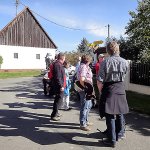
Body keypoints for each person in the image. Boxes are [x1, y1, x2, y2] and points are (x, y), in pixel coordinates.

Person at [97, 41, 129, 147]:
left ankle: (112, 140)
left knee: (109, 114)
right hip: (120, 88)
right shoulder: (125, 62)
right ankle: (119, 134)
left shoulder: (105, 62)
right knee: (119, 112)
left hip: (109, 89)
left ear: (108, 50)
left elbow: (100, 80)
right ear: (118, 49)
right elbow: (124, 75)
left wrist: (101, 92)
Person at [77, 54, 94, 131]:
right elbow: (82, 79)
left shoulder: (85, 66)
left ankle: (85, 121)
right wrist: (86, 88)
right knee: (85, 106)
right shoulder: (83, 66)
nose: (91, 61)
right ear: (88, 60)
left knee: (89, 105)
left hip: (87, 89)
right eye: (90, 59)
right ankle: (83, 124)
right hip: (85, 90)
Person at [50, 52, 66, 121]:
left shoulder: (58, 64)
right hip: (58, 86)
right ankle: (54, 115)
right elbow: (58, 77)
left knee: (58, 99)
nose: (65, 59)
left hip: (59, 85)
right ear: (62, 57)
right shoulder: (57, 65)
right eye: (64, 57)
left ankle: (56, 112)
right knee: (58, 100)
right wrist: (61, 86)